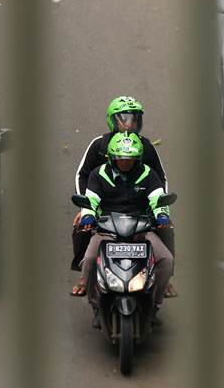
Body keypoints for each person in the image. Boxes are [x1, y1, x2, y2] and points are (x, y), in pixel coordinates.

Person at [71, 96, 177, 297]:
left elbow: (159, 179)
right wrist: (85, 209)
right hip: (103, 207)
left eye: (134, 119)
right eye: (124, 118)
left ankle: (165, 278)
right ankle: (84, 275)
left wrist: (160, 210)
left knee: (168, 228)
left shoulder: (145, 147)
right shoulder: (99, 146)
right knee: (80, 227)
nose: (130, 123)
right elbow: (82, 175)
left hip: (140, 211)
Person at [77, 132, 174, 326]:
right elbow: (92, 200)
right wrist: (88, 215)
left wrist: (162, 215)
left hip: (141, 230)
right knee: (88, 261)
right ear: (112, 158)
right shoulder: (98, 175)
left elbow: (157, 197)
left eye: (129, 159)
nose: (125, 163)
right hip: (107, 230)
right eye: (121, 159)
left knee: (166, 260)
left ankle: (154, 304)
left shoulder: (148, 174)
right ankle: (96, 306)